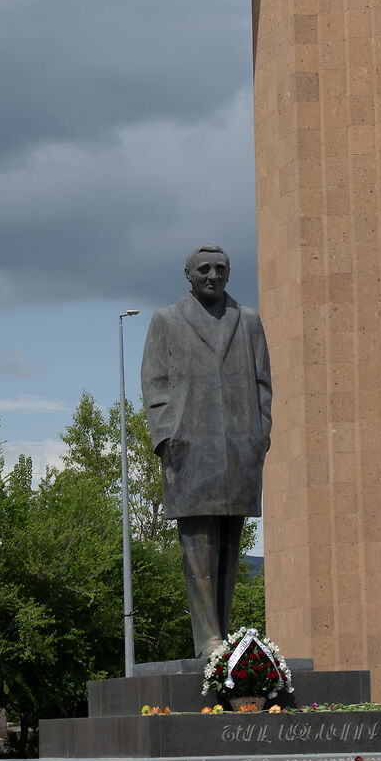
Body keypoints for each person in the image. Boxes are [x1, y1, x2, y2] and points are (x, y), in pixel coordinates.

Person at [141, 245, 273, 658]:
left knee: (231, 547)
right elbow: (154, 385)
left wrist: (259, 435)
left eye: (220, 269)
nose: (212, 275)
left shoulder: (249, 321)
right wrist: (167, 438)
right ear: (188, 275)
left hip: (238, 450)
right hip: (189, 448)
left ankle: (225, 637)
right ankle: (208, 640)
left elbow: (263, 385)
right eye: (203, 269)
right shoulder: (166, 321)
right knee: (197, 546)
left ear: (230, 273)